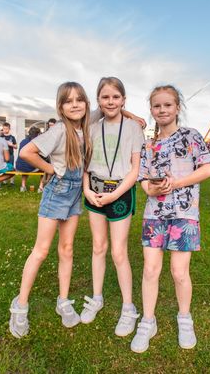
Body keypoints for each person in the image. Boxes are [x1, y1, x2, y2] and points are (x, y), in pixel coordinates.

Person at [130, 85, 210, 353]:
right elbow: (143, 180)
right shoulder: (148, 144)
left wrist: (176, 183)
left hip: (184, 215)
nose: (162, 110)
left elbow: (207, 169)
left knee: (179, 272)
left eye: (168, 105)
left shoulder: (191, 136)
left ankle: (184, 319)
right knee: (150, 270)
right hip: (154, 215)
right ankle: (148, 321)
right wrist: (151, 189)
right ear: (151, 110)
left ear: (177, 107)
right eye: (157, 106)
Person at [9, 81, 93, 337]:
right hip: (57, 193)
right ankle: (20, 305)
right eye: (68, 101)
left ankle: (63, 301)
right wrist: (51, 169)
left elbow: (108, 109)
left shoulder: (85, 127)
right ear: (60, 107)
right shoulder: (59, 130)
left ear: (86, 103)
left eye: (79, 99)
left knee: (67, 249)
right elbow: (27, 152)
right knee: (41, 250)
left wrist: (133, 116)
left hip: (75, 195)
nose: (75, 104)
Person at [80, 77, 145, 337]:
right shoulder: (91, 128)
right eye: (105, 97)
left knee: (118, 252)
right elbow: (85, 165)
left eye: (115, 97)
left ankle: (128, 307)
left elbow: (135, 169)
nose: (110, 101)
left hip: (120, 192)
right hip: (94, 192)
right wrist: (86, 189)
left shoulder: (133, 128)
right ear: (98, 100)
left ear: (124, 100)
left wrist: (115, 194)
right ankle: (97, 298)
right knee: (98, 246)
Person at [15, 126, 42, 192]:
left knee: (25, 164)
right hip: (29, 168)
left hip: (19, 167)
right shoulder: (36, 142)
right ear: (37, 134)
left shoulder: (23, 141)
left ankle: (23, 186)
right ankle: (40, 188)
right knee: (45, 168)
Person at [37, 118, 58, 192]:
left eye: (52, 125)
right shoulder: (46, 133)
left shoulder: (58, 133)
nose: (51, 127)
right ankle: (41, 187)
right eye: (50, 125)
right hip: (46, 155)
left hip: (54, 155)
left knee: (52, 172)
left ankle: (47, 186)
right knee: (46, 171)